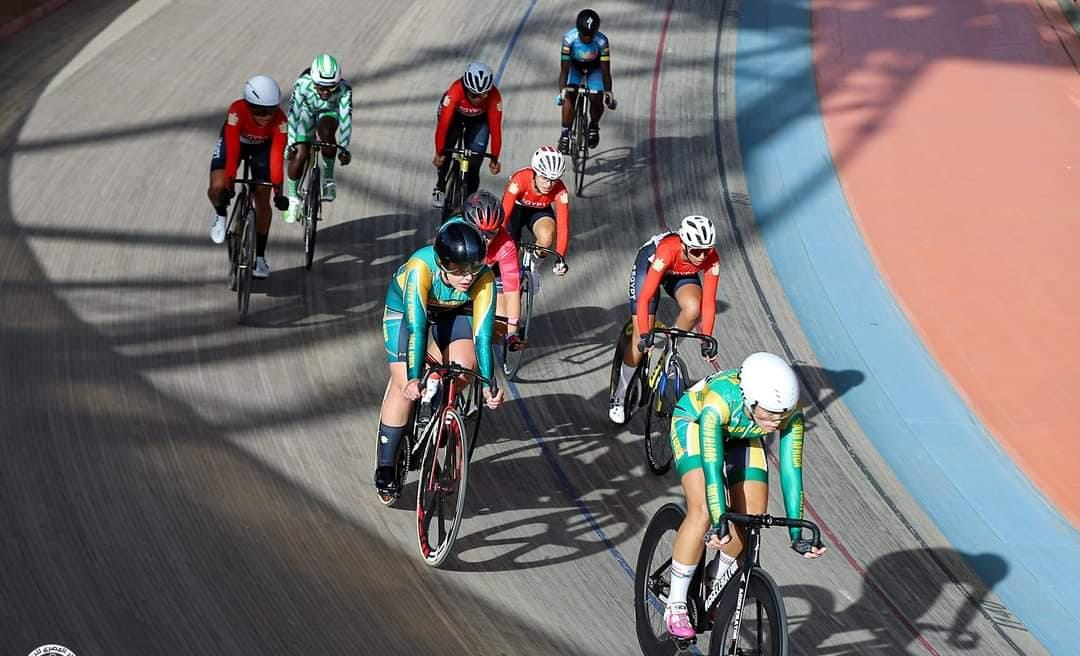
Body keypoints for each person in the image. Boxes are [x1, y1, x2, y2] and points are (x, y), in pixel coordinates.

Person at [663, 352, 826, 640]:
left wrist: (796, 535)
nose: (777, 422)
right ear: (751, 401)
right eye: (771, 414)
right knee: (703, 511)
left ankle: (715, 578)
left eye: (782, 415)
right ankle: (675, 603)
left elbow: (791, 472)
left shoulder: (789, 413)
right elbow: (713, 470)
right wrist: (718, 520)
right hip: (696, 423)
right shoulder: (718, 402)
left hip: (741, 433)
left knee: (751, 518)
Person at [374, 221, 506, 499]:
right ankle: (386, 465)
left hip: (454, 313)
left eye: (474, 267)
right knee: (402, 385)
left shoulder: (483, 278)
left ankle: (437, 399)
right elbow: (416, 328)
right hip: (407, 313)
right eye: (458, 269)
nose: (467, 277)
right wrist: (412, 378)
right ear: (441, 263)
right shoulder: (420, 267)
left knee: (463, 368)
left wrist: (488, 385)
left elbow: (482, 337)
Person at [609, 215, 721, 423]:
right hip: (651, 268)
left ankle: (670, 349)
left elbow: (709, 302)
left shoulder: (711, 257)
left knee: (693, 308)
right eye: (696, 251)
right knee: (639, 338)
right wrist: (645, 334)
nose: (702, 256)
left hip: (680, 273)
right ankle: (620, 394)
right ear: (684, 245)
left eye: (707, 250)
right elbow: (644, 298)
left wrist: (706, 338)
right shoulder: (667, 250)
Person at [207, 75, 289, 279]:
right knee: (217, 188)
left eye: (270, 110)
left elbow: (277, 158)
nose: (266, 117)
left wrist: (279, 192)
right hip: (236, 143)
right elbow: (233, 151)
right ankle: (220, 213)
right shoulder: (237, 110)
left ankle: (260, 257)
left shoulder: (281, 121)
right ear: (248, 105)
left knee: (262, 195)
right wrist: (229, 184)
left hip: (263, 148)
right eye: (259, 111)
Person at [450, 191, 524, 352]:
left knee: (499, 325)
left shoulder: (505, 245)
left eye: (491, 233)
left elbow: (512, 290)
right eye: (479, 231)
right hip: (459, 273)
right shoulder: (453, 229)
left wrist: (512, 332)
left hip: (489, 275)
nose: (485, 239)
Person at [283, 54, 353, 224]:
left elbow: (345, 119)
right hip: (306, 112)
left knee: (326, 132)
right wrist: (291, 143)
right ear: (313, 81)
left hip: (329, 113)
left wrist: (344, 148)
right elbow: (293, 114)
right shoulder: (302, 84)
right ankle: (293, 198)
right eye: (321, 87)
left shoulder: (345, 89)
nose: (326, 92)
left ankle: (328, 180)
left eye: (331, 87)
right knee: (300, 154)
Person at [432, 62, 504, 209]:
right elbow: (443, 127)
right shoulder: (455, 92)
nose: (478, 99)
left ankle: (471, 200)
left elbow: (496, 131)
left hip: (479, 120)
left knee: (475, 163)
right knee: (446, 148)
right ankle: (440, 185)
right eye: (474, 95)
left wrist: (494, 159)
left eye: (483, 95)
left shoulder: (494, 97)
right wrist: (439, 153)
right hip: (455, 116)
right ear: (466, 89)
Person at [500, 146, 571, 279]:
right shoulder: (519, 180)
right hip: (516, 209)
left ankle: (533, 267)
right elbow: (504, 215)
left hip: (539, 211)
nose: (548, 185)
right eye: (544, 178)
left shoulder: (561, 191)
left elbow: (563, 227)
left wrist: (560, 258)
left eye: (554, 180)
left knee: (546, 238)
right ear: (535, 172)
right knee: (509, 248)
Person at [557, 8, 615, 154]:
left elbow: (605, 71)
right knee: (570, 95)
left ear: (596, 32)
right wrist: (562, 92)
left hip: (594, 69)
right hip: (575, 68)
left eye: (591, 35)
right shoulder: (569, 39)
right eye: (584, 34)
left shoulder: (602, 41)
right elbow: (564, 70)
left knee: (596, 97)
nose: (588, 38)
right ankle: (565, 134)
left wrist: (608, 92)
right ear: (578, 31)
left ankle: (594, 125)